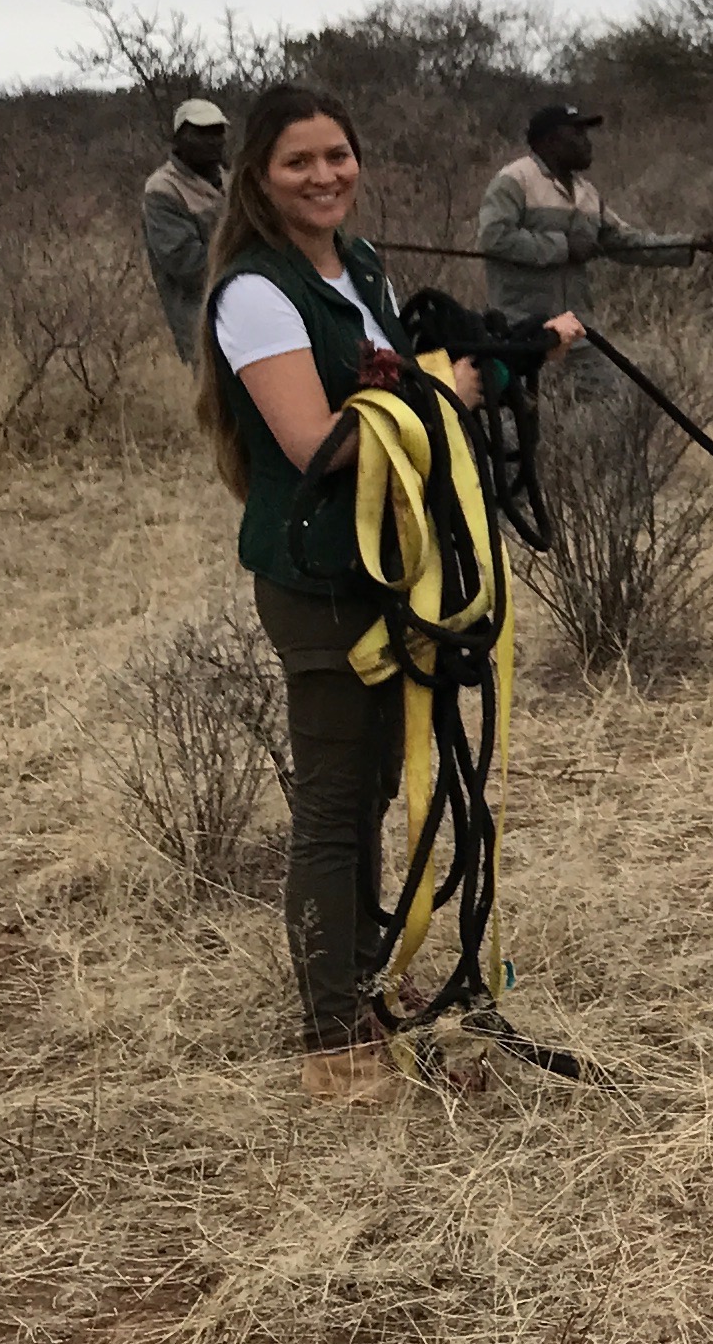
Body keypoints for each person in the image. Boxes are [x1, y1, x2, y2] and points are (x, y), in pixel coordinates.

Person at [195, 81, 583, 1103]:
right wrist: (441, 391)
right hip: (319, 577)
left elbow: (402, 379)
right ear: (259, 176)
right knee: (334, 808)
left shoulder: (357, 265)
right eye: (298, 162)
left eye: (337, 155)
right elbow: (316, 442)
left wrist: (513, 354)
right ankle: (334, 1045)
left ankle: (362, 985)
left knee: (372, 791)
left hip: (389, 570)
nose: (323, 176)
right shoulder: (256, 293)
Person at [475, 100, 708, 331]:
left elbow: (625, 242)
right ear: (550, 141)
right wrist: (565, 247)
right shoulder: (514, 181)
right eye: (577, 133)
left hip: (577, 328)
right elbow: (495, 239)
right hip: (520, 329)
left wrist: (693, 243)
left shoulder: (587, 192)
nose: (586, 142)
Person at [140, 96, 230, 361]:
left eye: (216, 132)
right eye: (200, 133)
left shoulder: (228, 178)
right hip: (201, 320)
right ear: (178, 139)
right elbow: (188, 266)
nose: (211, 141)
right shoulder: (163, 190)